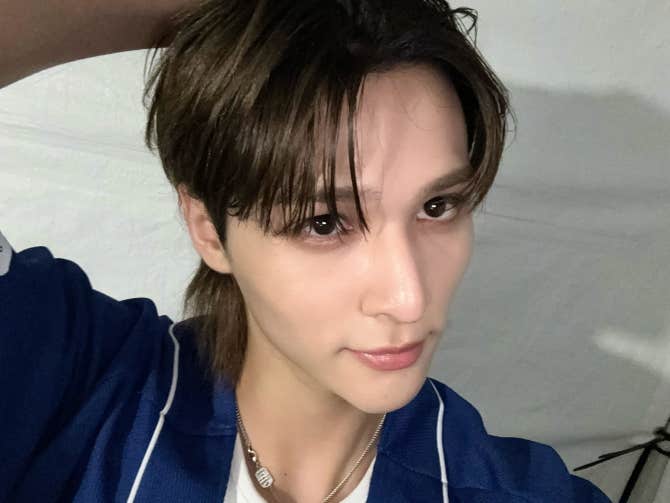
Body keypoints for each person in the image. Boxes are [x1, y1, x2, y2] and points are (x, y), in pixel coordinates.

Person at [0, 1, 612, 502]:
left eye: (437, 206)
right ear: (208, 228)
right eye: (324, 223)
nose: (409, 298)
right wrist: (252, 17)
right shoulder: (72, 382)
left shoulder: (527, 494)